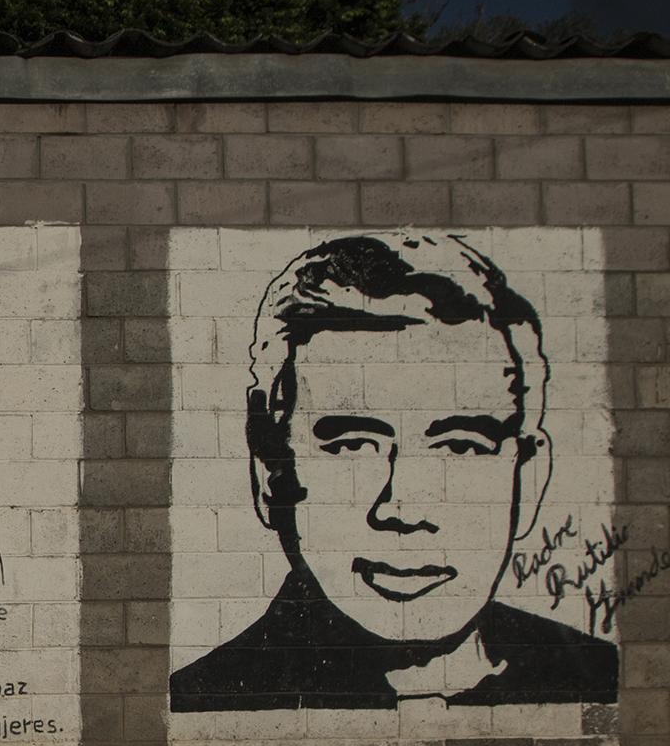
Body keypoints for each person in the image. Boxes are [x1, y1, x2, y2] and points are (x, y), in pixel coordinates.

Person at [171, 231, 619, 711]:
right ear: (270, 475)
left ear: (528, 482)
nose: (404, 508)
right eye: (354, 446)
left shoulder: (605, 680)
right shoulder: (202, 700)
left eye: (461, 448)